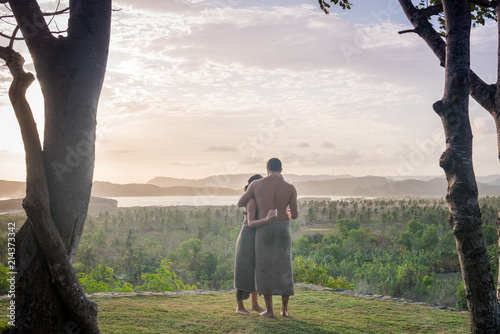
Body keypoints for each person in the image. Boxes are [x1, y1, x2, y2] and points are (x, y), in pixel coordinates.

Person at [238, 158, 299, 318]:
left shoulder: (256, 184)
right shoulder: (290, 188)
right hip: (283, 230)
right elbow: (295, 215)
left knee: (264, 270)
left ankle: (269, 311)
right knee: (285, 268)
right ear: (282, 169)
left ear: (267, 169)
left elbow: (240, 203)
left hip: (264, 231)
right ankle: (284, 310)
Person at [233, 174, 275, 315]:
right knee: (243, 270)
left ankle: (255, 304)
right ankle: (239, 307)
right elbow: (250, 223)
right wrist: (267, 219)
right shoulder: (251, 201)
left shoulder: (258, 199)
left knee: (256, 269)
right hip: (248, 236)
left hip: (257, 236)